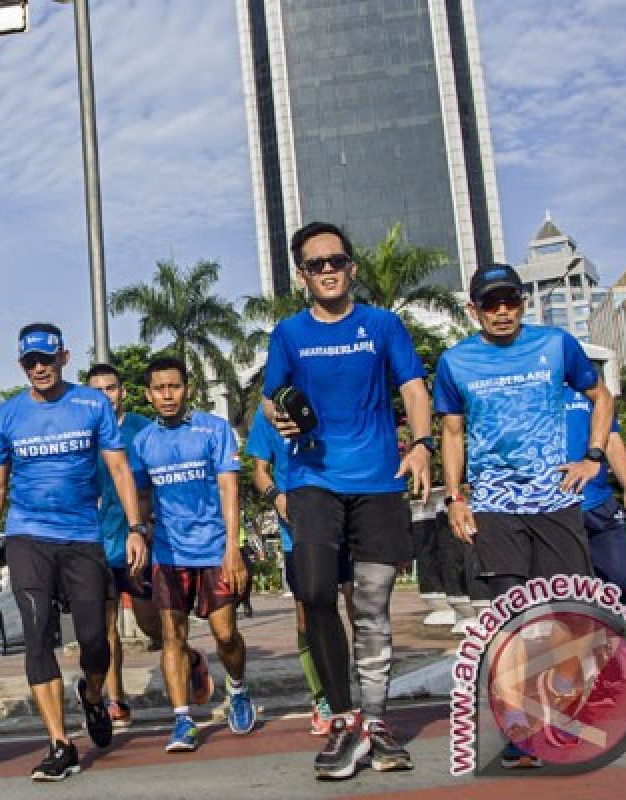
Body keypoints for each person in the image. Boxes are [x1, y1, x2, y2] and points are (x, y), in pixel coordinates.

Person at [263, 221, 432, 780]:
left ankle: (377, 726)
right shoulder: (288, 333)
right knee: (313, 591)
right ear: (302, 276)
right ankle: (342, 718)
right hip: (311, 480)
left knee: (372, 604)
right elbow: (270, 401)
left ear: (352, 266)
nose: (328, 270)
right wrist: (281, 414)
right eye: (316, 264)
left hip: (379, 483)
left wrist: (424, 444)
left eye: (336, 260)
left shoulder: (382, 325)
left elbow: (411, 387)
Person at [433, 264, 615, 767]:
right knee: (510, 620)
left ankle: (557, 694)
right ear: (474, 309)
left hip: (555, 502)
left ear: (523, 302)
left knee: (573, 619)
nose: (502, 310)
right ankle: (520, 727)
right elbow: (451, 432)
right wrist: (455, 498)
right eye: (491, 303)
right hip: (493, 508)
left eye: (510, 299)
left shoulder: (556, 346)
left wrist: (593, 458)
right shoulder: (455, 362)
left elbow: (601, 396)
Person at [0, 324, 147, 782]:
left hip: (81, 537)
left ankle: (92, 697)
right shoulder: (7, 415)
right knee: (37, 634)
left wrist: (136, 529)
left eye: (46, 359)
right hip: (27, 536)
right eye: (30, 361)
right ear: (21, 365)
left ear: (63, 358)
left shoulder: (91, 404)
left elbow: (117, 466)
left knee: (95, 640)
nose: (38, 368)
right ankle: (59, 743)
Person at [131, 355, 257, 753]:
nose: (168, 395)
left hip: (215, 550)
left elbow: (229, 491)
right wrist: (139, 536)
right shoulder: (142, 442)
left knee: (225, 635)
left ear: (187, 389)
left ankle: (236, 689)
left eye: (175, 386)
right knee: (173, 636)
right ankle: (182, 719)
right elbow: (139, 497)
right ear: (149, 395)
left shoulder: (213, 430)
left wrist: (232, 550)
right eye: (159, 389)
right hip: (168, 554)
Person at [245, 403, 354, 736]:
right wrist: (278, 498)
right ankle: (322, 696)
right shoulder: (267, 415)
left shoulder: (330, 401)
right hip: (299, 531)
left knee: (358, 606)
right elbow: (259, 470)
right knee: (308, 613)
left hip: (343, 519)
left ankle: (365, 687)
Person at [85, 362, 162, 729]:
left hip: (137, 541)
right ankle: (116, 699)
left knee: (150, 622)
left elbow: (160, 481)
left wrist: (147, 524)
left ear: (123, 392)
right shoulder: (80, 433)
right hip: (95, 545)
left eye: (111, 388)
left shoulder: (142, 430)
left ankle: (187, 657)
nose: (105, 396)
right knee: (105, 627)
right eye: (96, 390)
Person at [564, 386, 626, 603]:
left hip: (599, 503)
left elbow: (611, 440)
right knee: (571, 596)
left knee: (623, 585)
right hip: (557, 510)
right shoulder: (530, 390)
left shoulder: (592, 393)